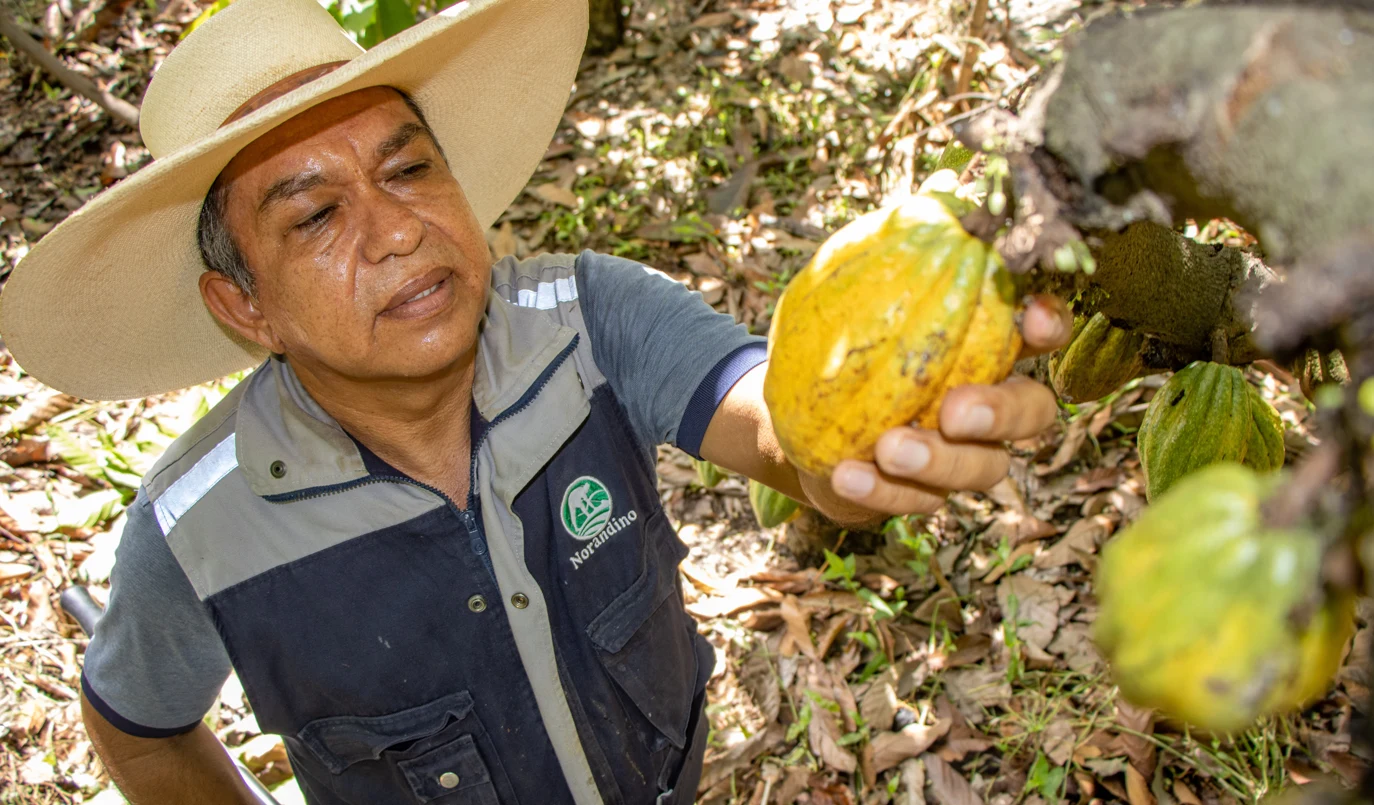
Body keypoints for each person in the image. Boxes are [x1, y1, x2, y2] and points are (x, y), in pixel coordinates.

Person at [0, 0, 1070, 802]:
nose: (397, 228)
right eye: (316, 214)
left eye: (410, 168)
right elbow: (140, 728)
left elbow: (777, 426)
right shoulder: (199, 533)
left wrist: (866, 448)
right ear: (245, 307)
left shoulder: (590, 316)